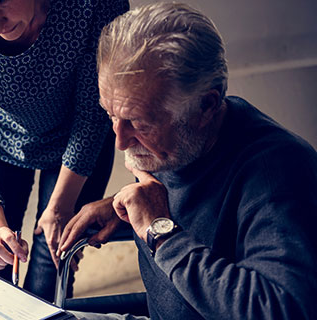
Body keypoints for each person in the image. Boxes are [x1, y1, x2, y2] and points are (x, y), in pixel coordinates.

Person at [58, 2, 317, 319]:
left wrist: (160, 230)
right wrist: (123, 208)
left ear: (206, 107)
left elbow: (283, 311)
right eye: (111, 115)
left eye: (139, 123)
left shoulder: (279, 176)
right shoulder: (179, 146)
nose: (120, 141)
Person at [0, 0, 129, 301]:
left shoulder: (93, 4)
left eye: (0, 3)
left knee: (48, 283)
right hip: (0, 141)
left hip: (80, 146)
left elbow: (91, 116)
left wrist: (60, 207)